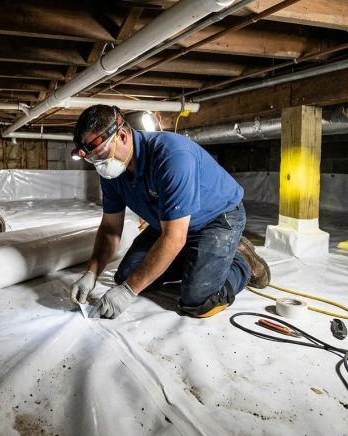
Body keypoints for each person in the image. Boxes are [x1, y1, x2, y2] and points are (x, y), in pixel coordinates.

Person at [68, 105, 270, 319]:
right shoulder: (113, 171)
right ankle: (198, 257)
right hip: (168, 223)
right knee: (126, 275)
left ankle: (242, 263)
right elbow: (110, 228)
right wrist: (91, 273)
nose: (100, 165)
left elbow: (174, 237)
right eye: (93, 160)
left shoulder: (172, 156)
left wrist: (128, 291)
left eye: (101, 154)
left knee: (198, 300)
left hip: (216, 219)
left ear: (123, 136)